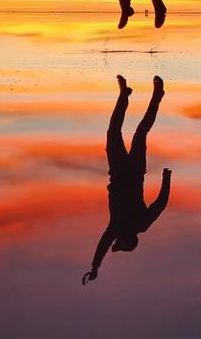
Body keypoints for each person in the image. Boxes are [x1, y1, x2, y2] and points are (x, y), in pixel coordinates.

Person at [82, 75, 171, 285]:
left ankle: (124, 95)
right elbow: (160, 205)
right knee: (140, 132)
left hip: (118, 170)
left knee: (114, 131)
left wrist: (95, 267)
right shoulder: (140, 224)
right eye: (122, 243)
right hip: (134, 171)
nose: (118, 241)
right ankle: (157, 95)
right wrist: (166, 179)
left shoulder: (116, 228)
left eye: (119, 242)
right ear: (131, 240)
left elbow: (102, 246)